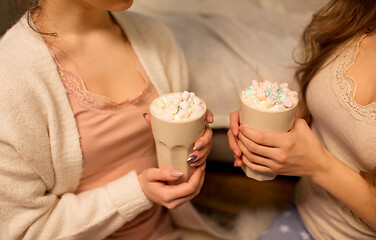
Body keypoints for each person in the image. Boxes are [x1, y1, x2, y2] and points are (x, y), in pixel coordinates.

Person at [0, 0, 220, 239]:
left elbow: (173, 167)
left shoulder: (155, 37)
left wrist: (191, 142)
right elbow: (23, 231)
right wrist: (137, 193)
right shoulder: (10, 80)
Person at [228, 0, 376, 239]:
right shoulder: (358, 18)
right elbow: (329, 112)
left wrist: (318, 165)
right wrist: (274, 117)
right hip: (304, 216)